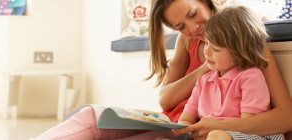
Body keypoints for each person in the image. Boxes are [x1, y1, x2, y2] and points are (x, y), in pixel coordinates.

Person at [36, 0, 292, 139]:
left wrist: (210, 125)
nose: (192, 29)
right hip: (175, 125)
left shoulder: (243, 39)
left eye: (193, 14)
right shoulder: (190, 43)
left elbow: (285, 117)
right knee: (90, 116)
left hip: (202, 131)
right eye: (180, 26)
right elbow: (166, 98)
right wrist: (206, 69)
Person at [175, 6, 283, 140]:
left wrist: (213, 131)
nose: (207, 51)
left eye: (215, 48)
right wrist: (184, 131)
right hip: (214, 135)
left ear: (238, 52)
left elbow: (247, 127)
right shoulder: (203, 81)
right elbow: (185, 119)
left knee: (217, 136)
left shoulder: (250, 77)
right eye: (207, 44)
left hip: (250, 134)